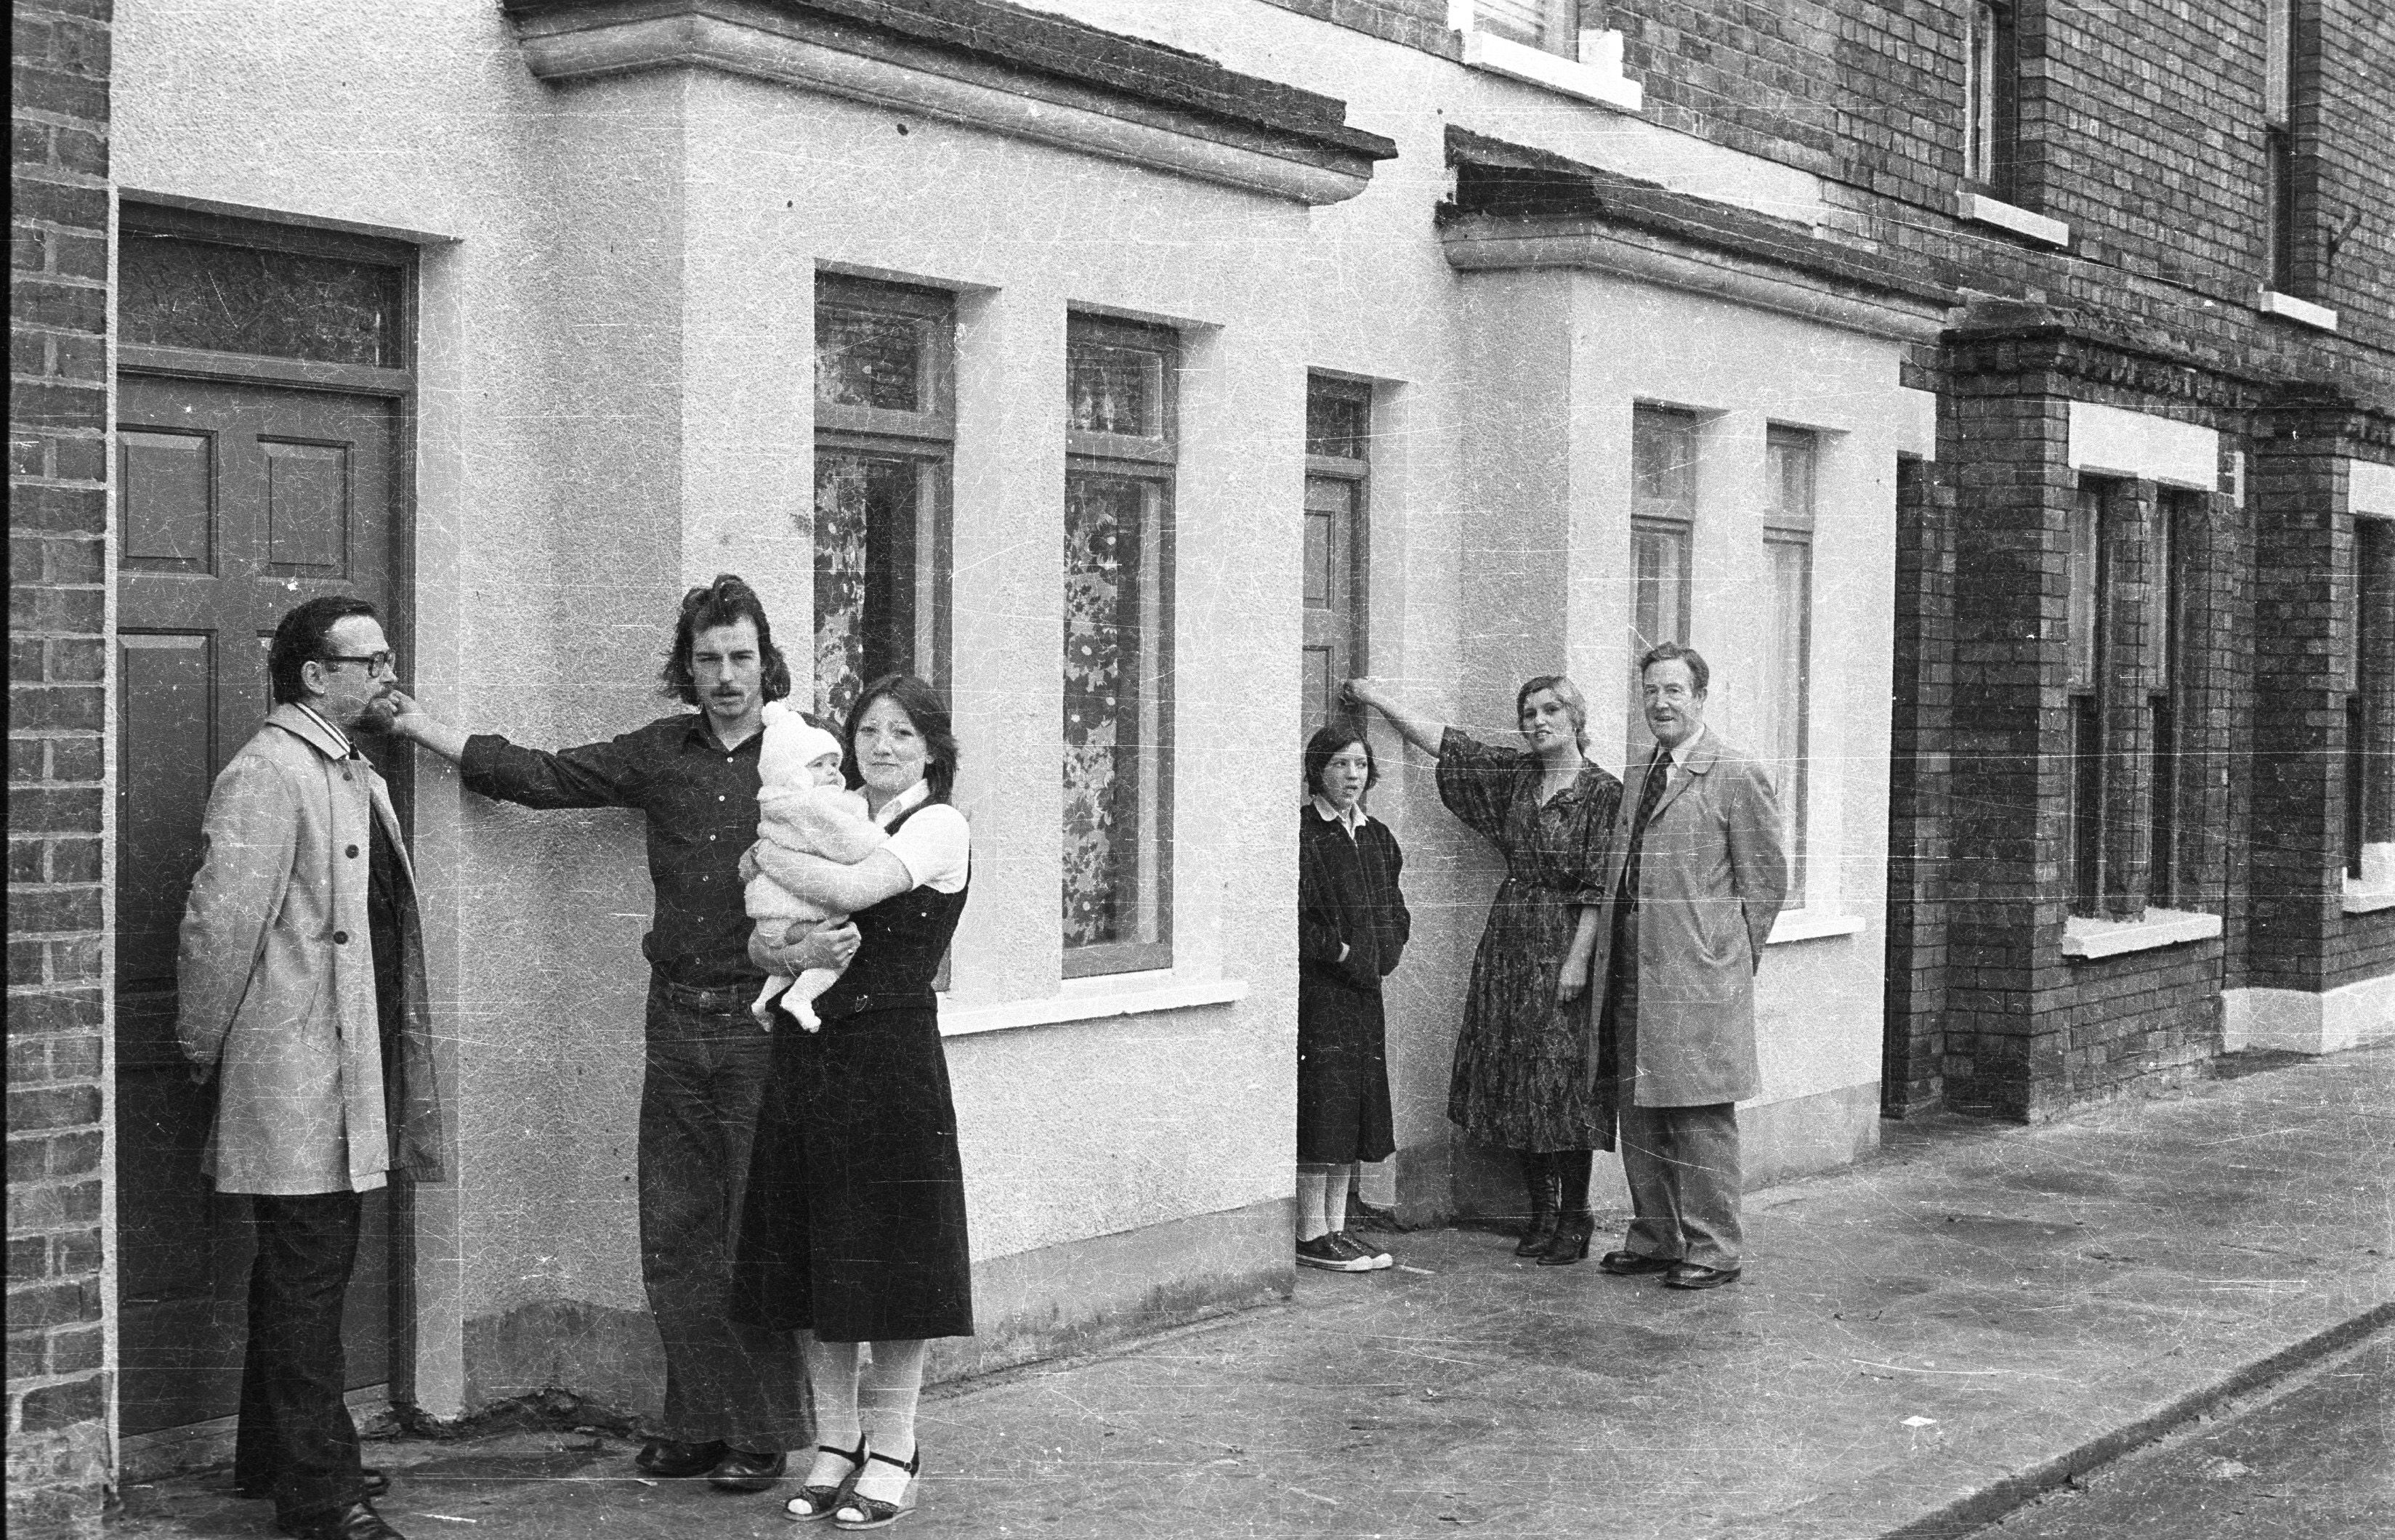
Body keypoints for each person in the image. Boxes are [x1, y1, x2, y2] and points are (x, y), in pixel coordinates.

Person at [386, 575, 831, 1490]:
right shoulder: (662, 752)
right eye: (707, 659)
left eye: (741, 656)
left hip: (762, 1023)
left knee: (753, 1232)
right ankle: (698, 1419)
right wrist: (421, 726)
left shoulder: (802, 754)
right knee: (673, 1230)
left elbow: (867, 849)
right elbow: (543, 775)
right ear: (687, 667)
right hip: (674, 1017)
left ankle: (761, 1431)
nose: (725, 675)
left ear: (766, 659)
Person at [177, 596, 443, 1540]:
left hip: (338, 1076)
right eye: (366, 661)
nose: (384, 674)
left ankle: (272, 1459)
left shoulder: (342, 767)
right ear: (312, 677)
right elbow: (218, 930)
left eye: (383, 659)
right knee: (307, 1276)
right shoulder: (268, 775)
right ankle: (321, 1498)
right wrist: (203, 1051)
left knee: (299, 1271)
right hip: (293, 1080)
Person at [732, 673, 974, 1531]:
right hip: (809, 1057)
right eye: (869, 729)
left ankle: (896, 1446)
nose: (882, 746)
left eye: (903, 734)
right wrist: (782, 937)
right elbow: (771, 932)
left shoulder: (937, 825)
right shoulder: (834, 812)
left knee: (892, 1264)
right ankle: (836, 1443)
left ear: (931, 750)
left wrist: (762, 856)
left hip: (889, 1062)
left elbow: (856, 891)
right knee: (814, 1256)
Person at [1345, 674, 1623, 1265]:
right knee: (1520, 1077)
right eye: (1529, 713)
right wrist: (1375, 699)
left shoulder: (1604, 793)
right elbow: (1446, 744)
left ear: (1576, 718)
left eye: (1551, 710)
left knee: (1564, 1083)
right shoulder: (1516, 776)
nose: (1539, 721)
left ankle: (1576, 1214)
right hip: (1511, 940)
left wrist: (1577, 960)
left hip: (1567, 940)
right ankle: (1541, 1212)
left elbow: (1602, 887)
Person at [1583, 642, 1788, 1291]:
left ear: (1700, 698)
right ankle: (1655, 1237)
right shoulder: (1641, 770)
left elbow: (1767, 883)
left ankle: (1714, 1247)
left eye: (1673, 691)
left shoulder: (1734, 772)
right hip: (1634, 967)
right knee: (1639, 1106)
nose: (1661, 703)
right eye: (1651, 692)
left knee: (1698, 1113)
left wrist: (1725, 960)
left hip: (1697, 976)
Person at [1294, 726, 1413, 1273]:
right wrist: (1343, 954)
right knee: (1325, 1109)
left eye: (1360, 765)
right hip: (1325, 993)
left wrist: (1382, 954)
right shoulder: (1304, 835)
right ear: (1318, 769)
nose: (1351, 776)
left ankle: (1337, 1228)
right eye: (1340, 764)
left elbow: (1396, 910)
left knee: (1354, 1109)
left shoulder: (1377, 836)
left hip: (1366, 993)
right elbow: (1301, 922)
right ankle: (1309, 1231)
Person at [747, 703, 885, 1031]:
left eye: (834, 764)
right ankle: (799, 999)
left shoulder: (777, 802)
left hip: (773, 913)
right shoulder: (812, 804)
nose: (832, 773)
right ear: (793, 773)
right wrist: (883, 839)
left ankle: (761, 1002)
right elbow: (849, 845)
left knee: (783, 964)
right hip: (796, 909)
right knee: (840, 948)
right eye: (819, 765)